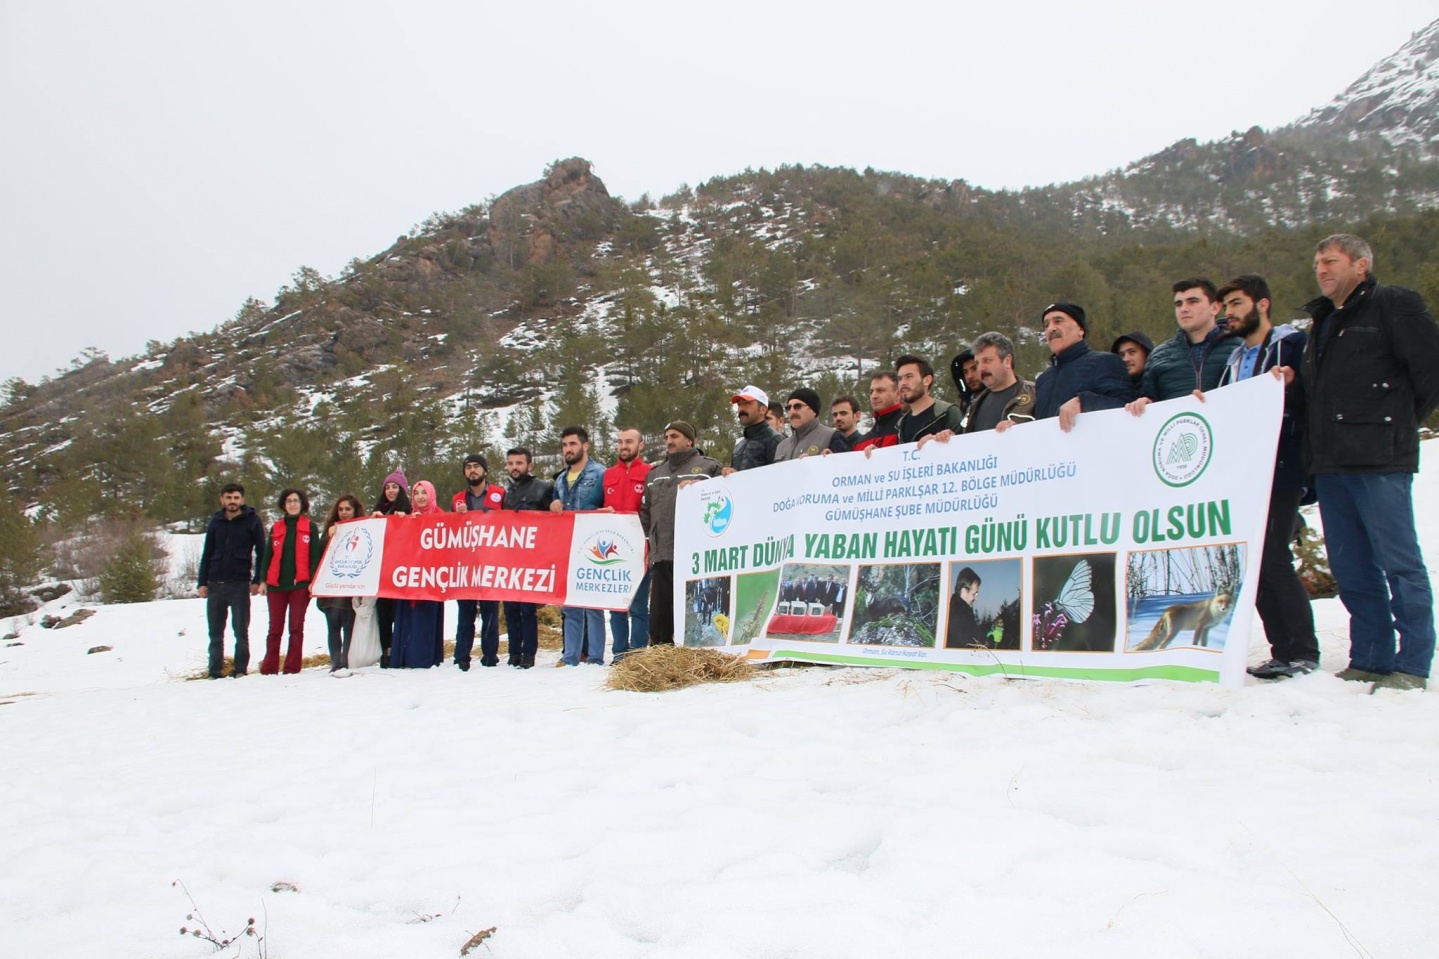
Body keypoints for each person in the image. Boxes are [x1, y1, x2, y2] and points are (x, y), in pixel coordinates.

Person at [1282, 234, 1439, 691]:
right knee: (1352, 567)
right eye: (1317, 263)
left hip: (1379, 457)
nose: (1322, 270)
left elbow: (1429, 371)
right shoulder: (1323, 322)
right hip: (1331, 463)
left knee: (1399, 562)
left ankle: (1412, 663)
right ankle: (1369, 656)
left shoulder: (1392, 304)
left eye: (1331, 261)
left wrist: (1395, 423)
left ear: (1361, 265)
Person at [1208, 275, 1319, 680]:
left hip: (1283, 466)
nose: (1231, 314)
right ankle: (1282, 649)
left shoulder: (1292, 345)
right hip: (1245, 471)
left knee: (1274, 554)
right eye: (1227, 307)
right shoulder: (1236, 360)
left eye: (1237, 304)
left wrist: (1294, 386)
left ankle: (1303, 649)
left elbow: (1315, 393)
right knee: (1254, 561)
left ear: (1263, 305)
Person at [640, 422, 722, 645]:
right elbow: (645, 511)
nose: (669, 441)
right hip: (663, 555)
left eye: (675, 436)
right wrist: (651, 538)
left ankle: (700, 655)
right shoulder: (655, 473)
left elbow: (723, 503)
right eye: (666, 436)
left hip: (696, 557)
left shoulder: (709, 468)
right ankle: (661, 660)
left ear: (690, 441)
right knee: (660, 617)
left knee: (696, 613)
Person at [1128, 279, 1240, 415]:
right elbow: (1150, 401)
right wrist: (1144, 404)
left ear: (1215, 307)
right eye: (1178, 304)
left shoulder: (1239, 348)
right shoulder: (1159, 356)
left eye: (1193, 301)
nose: (1184, 309)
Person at [550, 426, 607, 667]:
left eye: (572, 444)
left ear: (585, 446)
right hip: (567, 545)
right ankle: (570, 656)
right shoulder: (561, 478)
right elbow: (554, 504)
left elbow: (605, 505)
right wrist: (554, 504)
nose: (568, 449)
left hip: (593, 544)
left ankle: (595, 656)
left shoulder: (600, 473)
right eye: (564, 445)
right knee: (570, 605)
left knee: (593, 606)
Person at [196, 482, 265, 678]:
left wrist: (257, 579)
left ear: (242, 499)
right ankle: (215, 671)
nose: (232, 501)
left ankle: (240, 669)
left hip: (240, 584)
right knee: (215, 633)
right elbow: (207, 552)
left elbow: (262, 552)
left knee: (240, 631)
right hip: (215, 583)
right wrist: (202, 582)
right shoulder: (216, 521)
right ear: (222, 499)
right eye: (228, 498)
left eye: (236, 498)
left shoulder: (252, 521)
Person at [1031, 303, 1134, 431]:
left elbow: (1126, 405)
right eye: (1046, 325)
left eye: (1058, 321)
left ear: (1080, 329)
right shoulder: (1043, 379)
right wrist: (1016, 428)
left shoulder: (1104, 361)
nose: (1051, 328)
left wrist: (1084, 402)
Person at [451, 454, 506, 670]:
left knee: (490, 612)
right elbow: (447, 531)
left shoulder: (499, 494)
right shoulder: (457, 499)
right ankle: (461, 655)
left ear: (485, 470)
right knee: (465, 613)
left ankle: (490, 655)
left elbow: (514, 524)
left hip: (491, 562)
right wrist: (457, 516)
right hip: (466, 564)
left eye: (476, 466)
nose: (472, 470)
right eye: (468, 467)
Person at [502, 448, 554, 668]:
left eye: (519, 463)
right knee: (510, 609)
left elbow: (554, 521)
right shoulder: (507, 493)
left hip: (533, 558)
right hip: (510, 558)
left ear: (529, 466)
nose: (515, 467)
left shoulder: (543, 488)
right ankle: (513, 651)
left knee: (527, 609)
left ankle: (529, 653)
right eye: (511, 463)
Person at [259, 488, 319, 675]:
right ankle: (269, 667)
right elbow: (267, 556)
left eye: (296, 500)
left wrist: (313, 580)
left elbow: (314, 556)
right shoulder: (276, 528)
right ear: (284, 505)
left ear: (302, 504)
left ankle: (292, 668)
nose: (292, 504)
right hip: (276, 586)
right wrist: (262, 580)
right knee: (274, 629)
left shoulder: (310, 527)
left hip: (300, 585)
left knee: (296, 628)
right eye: (289, 501)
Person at [603, 427, 651, 658]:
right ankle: (619, 654)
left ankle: (639, 653)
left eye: (629, 441)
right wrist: (601, 510)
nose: (623, 446)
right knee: (617, 606)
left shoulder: (651, 472)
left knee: (639, 606)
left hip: (641, 550)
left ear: (641, 445)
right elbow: (591, 505)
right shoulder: (607, 474)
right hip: (612, 551)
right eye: (620, 442)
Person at [391, 480, 446, 669]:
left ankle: (425, 659)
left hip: (431, 579)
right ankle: (404, 657)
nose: (420, 497)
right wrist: (404, 523)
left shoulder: (441, 516)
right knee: (408, 620)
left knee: (426, 621)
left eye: (424, 493)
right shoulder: (408, 517)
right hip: (410, 578)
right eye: (416, 493)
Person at [316, 494, 365, 673]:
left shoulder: (362, 528)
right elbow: (319, 553)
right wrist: (328, 537)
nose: (344, 513)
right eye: (341, 509)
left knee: (349, 626)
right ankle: (335, 661)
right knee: (333, 626)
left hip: (350, 587)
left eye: (348, 509)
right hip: (331, 588)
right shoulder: (330, 529)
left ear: (355, 511)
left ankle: (346, 660)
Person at [370, 470, 410, 667]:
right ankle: (385, 651)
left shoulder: (407, 510)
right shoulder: (379, 510)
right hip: (382, 571)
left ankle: (399, 649)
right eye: (387, 487)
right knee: (383, 614)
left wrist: (405, 520)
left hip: (401, 570)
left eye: (395, 487)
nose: (391, 491)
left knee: (399, 613)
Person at [965, 332, 1036, 433]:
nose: (980, 368)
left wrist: (1020, 430)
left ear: (1007, 361)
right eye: (977, 363)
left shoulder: (1035, 393)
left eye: (987, 361)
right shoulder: (975, 405)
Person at [895, 355, 965, 443]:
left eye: (909, 377)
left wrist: (939, 441)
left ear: (927, 380)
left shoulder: (948, 413)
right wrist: (878, 453)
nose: (903, 383)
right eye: (900, 379)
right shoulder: (901, 424)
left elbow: (965, 449)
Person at [774, 388, 849, 461]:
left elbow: (845, 469)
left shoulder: (832, 437)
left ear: (814, 411)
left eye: (797, 406)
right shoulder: (781, 446)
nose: (792, 411)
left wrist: (830, 461)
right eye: (789, 408)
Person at [726, 384, 783, 474]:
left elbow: (780, 477)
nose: (741, 408)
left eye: (747, 403)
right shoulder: (739, 446)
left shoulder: (774, 439)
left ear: (763, 410)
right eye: (739, 404)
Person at [854, 371, 904, 452]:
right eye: (871, 392)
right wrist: (832, 458)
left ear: (897, 395)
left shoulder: (907, 428)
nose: (874, 396)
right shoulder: (860, 442)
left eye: (880, 390)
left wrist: (881, 456)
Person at [945, 567, 982, 649]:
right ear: (964, 591)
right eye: (974, 594)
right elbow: (970, 642)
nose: (976, 598)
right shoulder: (958, 614)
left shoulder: (961, 610)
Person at [949, 349, 982, 422]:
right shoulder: (964, 408)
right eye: (965, 372)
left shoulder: (1000, 399)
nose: (969, 376)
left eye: (974, 369)